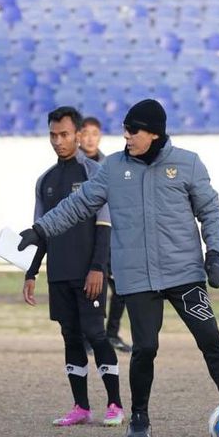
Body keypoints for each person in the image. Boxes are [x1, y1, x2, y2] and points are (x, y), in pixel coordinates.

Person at [18, 99, 219, 437]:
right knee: (145, 348)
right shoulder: (113, 169)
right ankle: (139, 418)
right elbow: (78, 205)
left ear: (154, 133)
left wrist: (216, 254)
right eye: (124, 129)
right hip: (136, 279)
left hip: (186, 275)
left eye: (133, 130)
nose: (126, 136)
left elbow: (211, 212)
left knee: (211, 340)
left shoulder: (188, 164)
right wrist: (41, 230)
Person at [23, 106, 124, 427]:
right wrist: (32, 271)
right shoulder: (45, 181)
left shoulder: (95, 174)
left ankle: (115, 404)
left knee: (96, 333)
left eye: (64, 134)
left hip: (88, 272)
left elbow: (104, 225)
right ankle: (81, 406)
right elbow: (41, 230)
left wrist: (98, 267)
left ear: (79, 135)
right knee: (70, 336)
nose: (57, 141)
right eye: (53, 135)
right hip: (60, 272)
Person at [79, 115, 132, 354]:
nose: (90, 138)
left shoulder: (110, 166)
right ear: (79, 136)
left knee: (120, 286)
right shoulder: (73, 166)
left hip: (109, 235)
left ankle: (111, 333)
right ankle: (89, 336)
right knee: (89, 289)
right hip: (82, 237)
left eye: (94, 134)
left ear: (100, 136)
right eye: (86, 133)